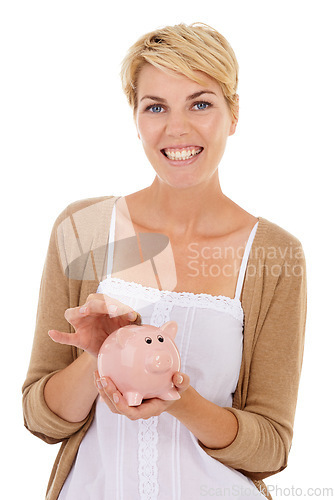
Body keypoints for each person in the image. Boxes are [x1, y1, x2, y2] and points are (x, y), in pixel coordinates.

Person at [22, 22, 307, 500]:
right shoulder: (83, 228)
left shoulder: (274, 254)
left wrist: (180, 400)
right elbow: (39, 418)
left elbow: (271, 449)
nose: (177, 128)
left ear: (233, 114)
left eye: (201, 103)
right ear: (136, 119)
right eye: (156, 107)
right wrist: (100, 356)